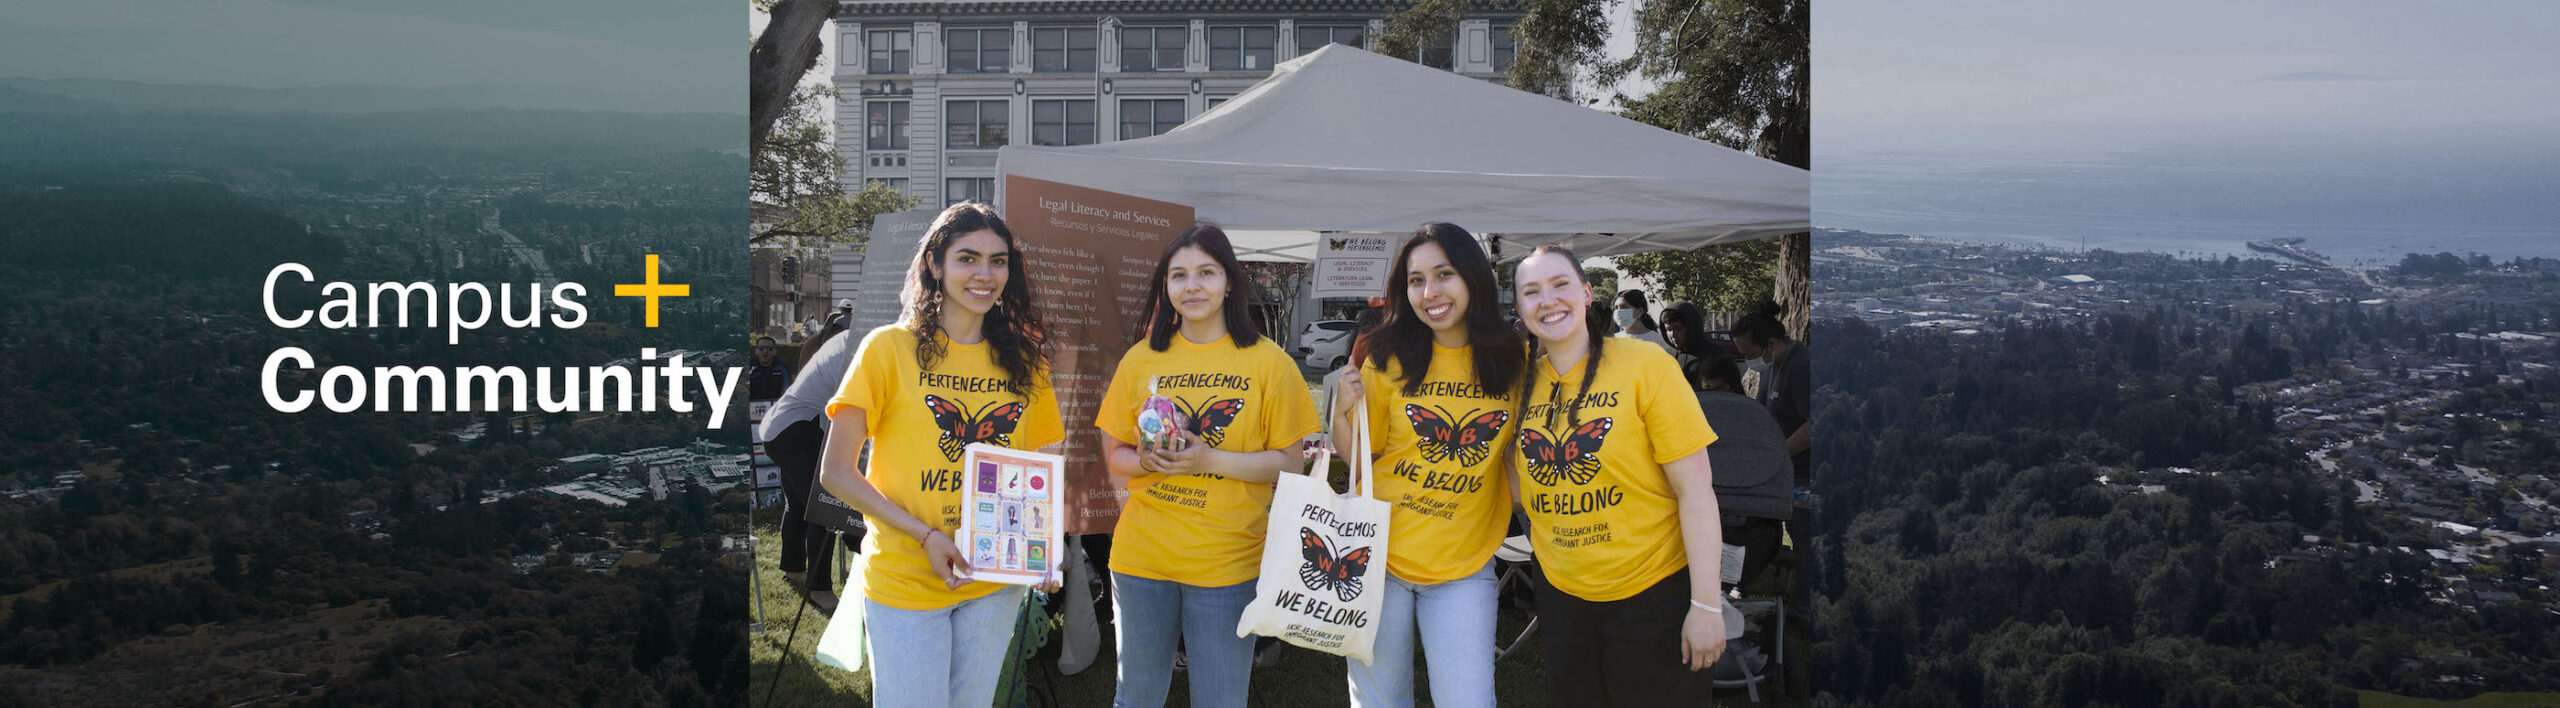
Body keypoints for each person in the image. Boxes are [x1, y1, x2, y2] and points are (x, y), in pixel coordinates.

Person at [817, 202, 1064, 708]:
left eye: (998, 261)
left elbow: (1044, 465)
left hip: (992, 582)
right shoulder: (887, 349)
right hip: (906, 575)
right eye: (967, 258)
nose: (984, 274)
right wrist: (925, 535)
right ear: (935, 264)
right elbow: (837, 473)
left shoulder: (1026, 364)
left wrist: (1042, 547)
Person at [1096, 223, 1318, 708]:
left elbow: (1290, 465)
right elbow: (1114, 455)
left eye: (1206, 272)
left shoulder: (1268, 363)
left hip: (1227, 565)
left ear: (1231, 281)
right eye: (1178, 275)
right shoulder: (1140, 360)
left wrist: (1208, 458)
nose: (1192, 286)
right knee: (1135, 696)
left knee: (1220, 699)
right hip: (1141, 559)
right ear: (1166, 287)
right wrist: (1147, 460)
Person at [1508, 244, 1726, 706]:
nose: (1548, 300)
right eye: (1531, 291)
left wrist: (1706, 605)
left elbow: (1697, 491)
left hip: (1652, 593)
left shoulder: (1645, 366)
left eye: (1560, 284)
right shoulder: (1520, 383)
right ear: (1519, 307)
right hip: (1563, 595)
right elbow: (1514, 485)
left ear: (1587, 294)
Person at [1325, 223, 1524, 708]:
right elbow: (1360, 461)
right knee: (1379, 701)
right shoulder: (1387, 355)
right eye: (1416, 280)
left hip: (1464, 566)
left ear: (1473, 278)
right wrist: (1338, 414)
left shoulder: (1510, 358)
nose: (1429, 292)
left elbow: (1516, 458)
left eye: (1444, 274)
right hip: (1377, 560)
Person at [756, 317, 863, 612]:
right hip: (794, 432)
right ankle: (820, 590)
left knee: (798, 505)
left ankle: (793, 568)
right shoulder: (853, 354)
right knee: (822, 510)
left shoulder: (840, 344)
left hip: (778, 429)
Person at [1689, 354, 1793, 588]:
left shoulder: (1694, 412)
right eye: (1709, 390)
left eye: (1719, 389)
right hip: (1756, 525)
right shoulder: (1757, 417)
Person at [746, 335, 791, 402]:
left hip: (776, 407)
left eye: (769, 349)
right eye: (761, 349)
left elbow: (787, 393)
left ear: (775, 351)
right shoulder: (748, 369)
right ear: (756, 351)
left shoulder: (782, 369)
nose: (765, 351)